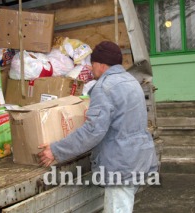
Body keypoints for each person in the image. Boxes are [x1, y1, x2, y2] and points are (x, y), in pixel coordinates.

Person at [38, 41, 158, 213]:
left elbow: (93, 132)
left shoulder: (104, 88)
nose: (91, 68)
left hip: (121, 164)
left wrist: (56, 150)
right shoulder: (131, 81)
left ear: (101, 65)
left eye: (92, 63)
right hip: (138, 158)